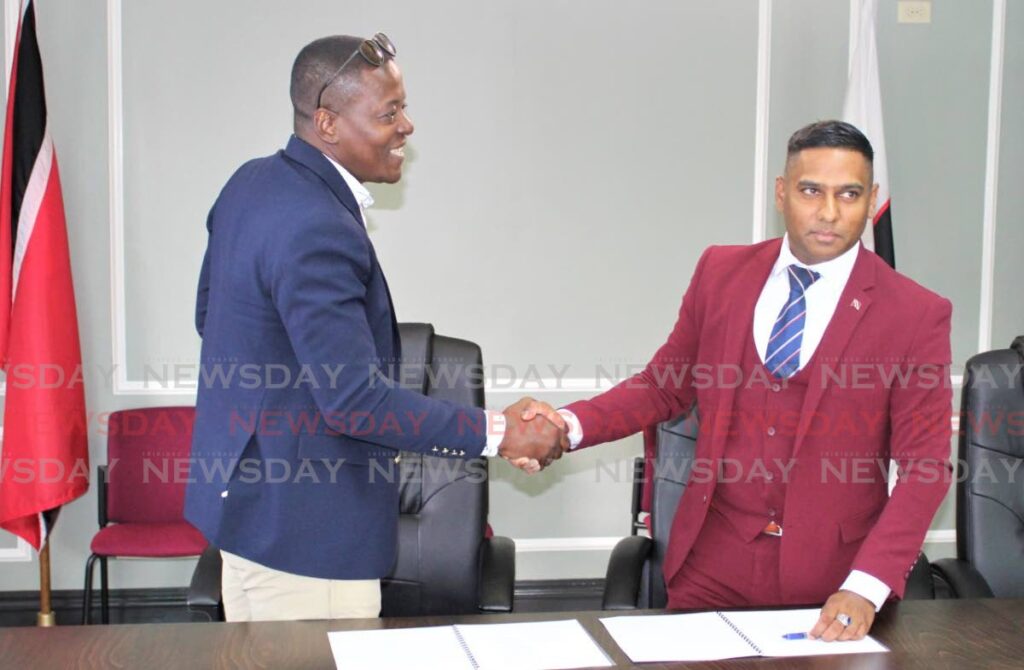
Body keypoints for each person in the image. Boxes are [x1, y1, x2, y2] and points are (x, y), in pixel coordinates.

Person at [522, 120, 952, 641]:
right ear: (781, 192)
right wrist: (567, 425)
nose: (830, 212)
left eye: (850, 194)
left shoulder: (915, 313)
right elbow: (665, 384)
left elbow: (925, 466)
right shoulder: (721, 273)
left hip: (832, 584)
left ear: (872, 199)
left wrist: (866, 585)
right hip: (711, 567)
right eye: (811, 190)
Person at [184, 33, 563, 622]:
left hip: (252, 517)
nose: (407, 126)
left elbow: (211, 318)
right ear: (327, 123)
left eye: (404, 107)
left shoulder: (251, 184)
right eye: (389, 113)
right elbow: (355, 403)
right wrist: (500, 432)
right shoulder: (316, 223)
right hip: (307, 545)